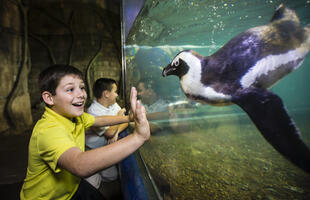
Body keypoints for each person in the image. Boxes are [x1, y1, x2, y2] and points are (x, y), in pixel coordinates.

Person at [20, 64, 150, 200]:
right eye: (70, 89)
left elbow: (98, 120)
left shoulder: (76, 117)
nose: (81, 94)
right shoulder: (48, 130)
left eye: (82, 88)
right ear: (49, 98)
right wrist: (138, 137)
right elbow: (79, 164)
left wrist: (128, 117)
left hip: (73, 186)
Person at [85, 78, 127, 198]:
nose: (117, 95)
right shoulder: (93, 111)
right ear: (106, 94)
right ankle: (90, 170)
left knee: (112, 176)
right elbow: (109, 133)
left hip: (104, 149)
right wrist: (119, 117)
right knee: (93, 185)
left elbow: (126, 122)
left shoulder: (113, 104)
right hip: (91, 150)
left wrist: (117, 132)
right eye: (115, 91)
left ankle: (97, 169)